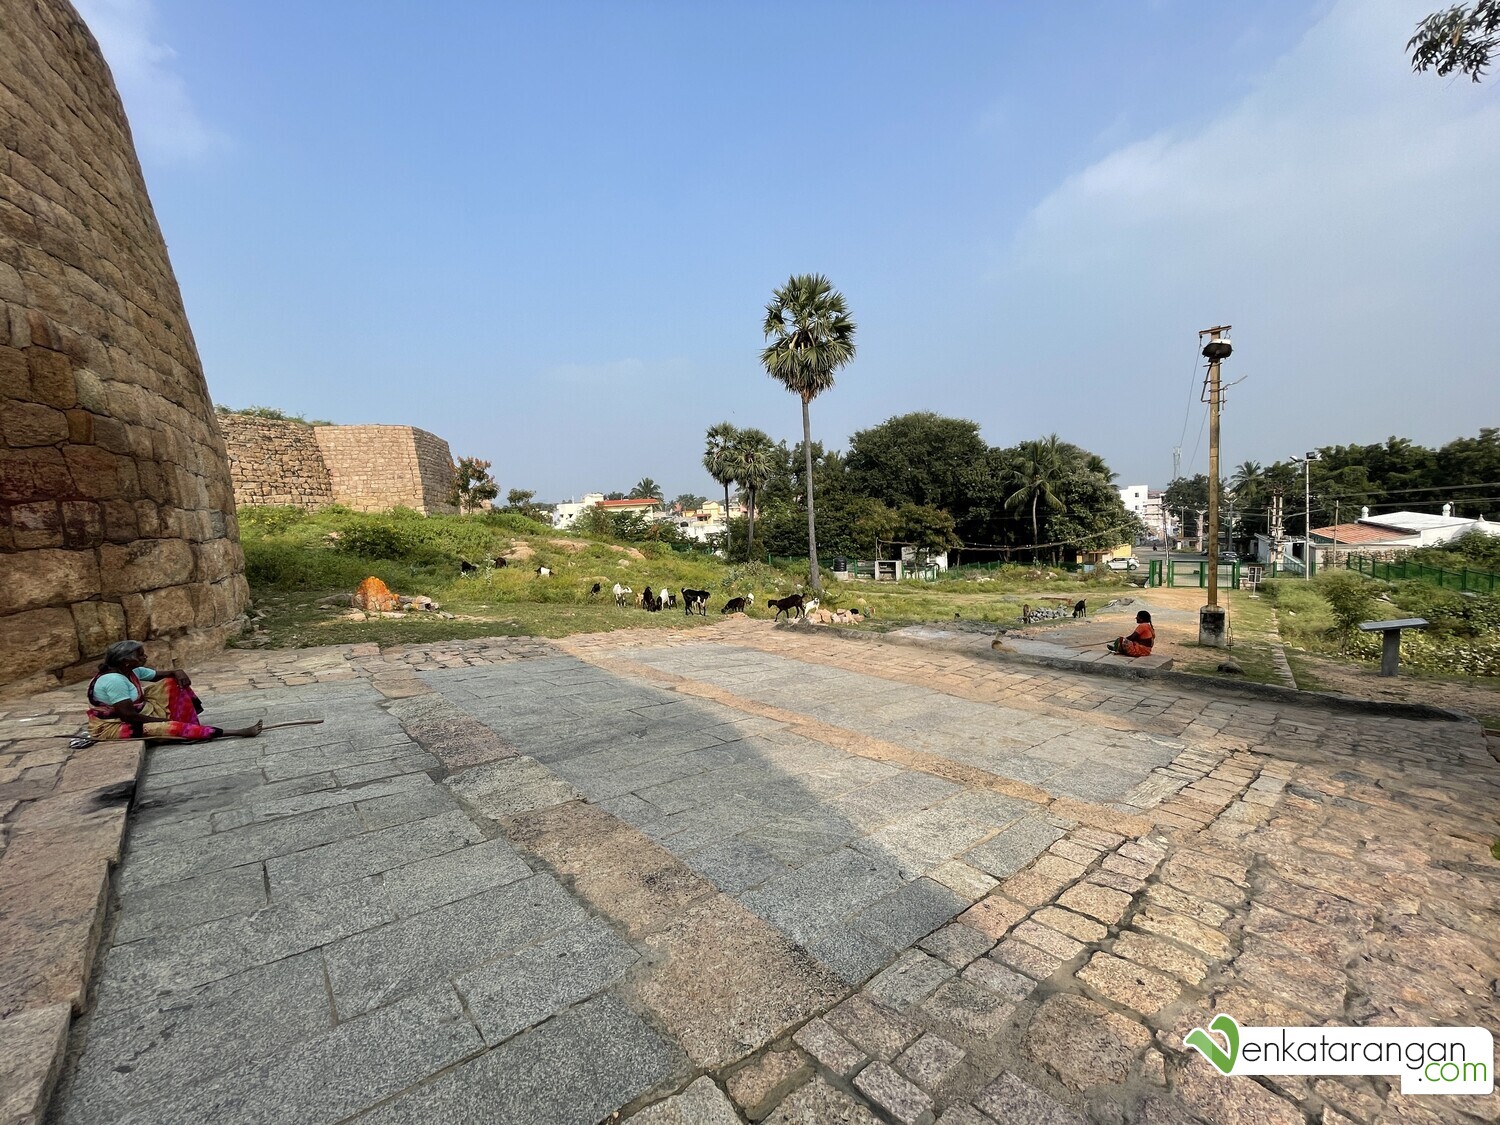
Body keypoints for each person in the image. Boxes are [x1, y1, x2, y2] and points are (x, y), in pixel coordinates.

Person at [85, 640, 261, 742]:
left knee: (173, 683)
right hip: (116, 725)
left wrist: (178, 672)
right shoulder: (114, 681)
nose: (144, 657)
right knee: (174, 728)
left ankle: (189, 721)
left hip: (138, 712)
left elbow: (165, 675)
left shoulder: (130, 671)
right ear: (125, 661)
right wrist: (160, 721)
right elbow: (129, 717)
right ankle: (236, 732)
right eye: (140, 656)